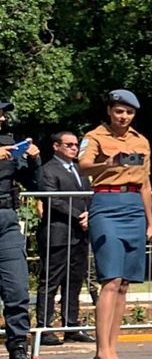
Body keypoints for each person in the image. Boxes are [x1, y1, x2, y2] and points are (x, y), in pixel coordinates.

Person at [77, 89, 152, 359]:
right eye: (119, 111)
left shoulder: (141, 141)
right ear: (110, 111)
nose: (123, 117)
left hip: (133, 206)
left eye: (128, 112)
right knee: (110, 279)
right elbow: (83, 166)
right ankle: (102, 353)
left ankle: (112, 349)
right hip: (106, 203)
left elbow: (146, 184)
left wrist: (150, 224)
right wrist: (109, 163)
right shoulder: (95, 136)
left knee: (125, 282)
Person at [0, 99, 47, 359]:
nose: (3, 119)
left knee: (17, 290)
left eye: (3, 114)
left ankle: (18, 355)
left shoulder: (8, 144)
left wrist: (32, 159)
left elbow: (36, 184)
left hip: (5, 218)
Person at [33, 130, 92, 344]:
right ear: (56, 146)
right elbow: (53, 199)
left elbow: (88, 195)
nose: (74, 148)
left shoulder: (80, 170)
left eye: (76, 144)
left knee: (74, 281)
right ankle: (45, 327)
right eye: (69, 145)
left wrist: (90, 215)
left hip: (79, 234)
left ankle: (71, 325)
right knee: (50, 281)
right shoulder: (48, 170)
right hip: (57, 233)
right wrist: (78, 215)